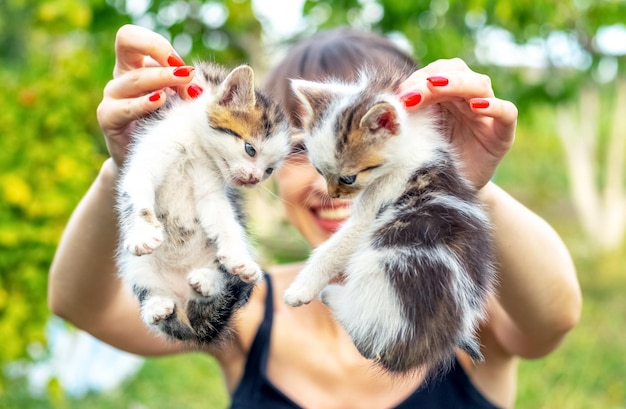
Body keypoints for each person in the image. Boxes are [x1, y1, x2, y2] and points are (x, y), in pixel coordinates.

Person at [48, 24, 582, 409]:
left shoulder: (452, 297)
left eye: (364, 150)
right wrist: (129, 166)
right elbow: (79, 305)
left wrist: (460, 180)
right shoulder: (249, 306)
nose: (336, 183)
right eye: (303, 151)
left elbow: (553, 320)